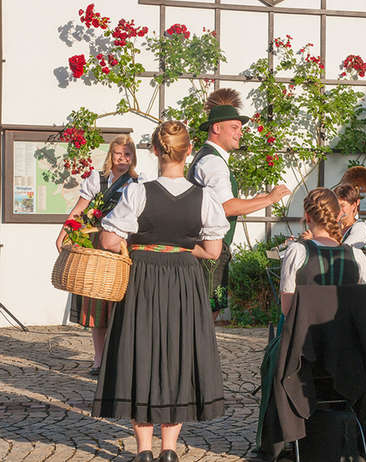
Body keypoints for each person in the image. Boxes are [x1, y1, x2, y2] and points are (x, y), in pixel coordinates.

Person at [93, 121, 229, 462]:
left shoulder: (138, 192)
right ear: (188, 151)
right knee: (179, 354)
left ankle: (143, 450)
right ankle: (169, 449)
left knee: (142, 351)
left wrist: (138, 243)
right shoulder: (205, 198)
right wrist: (183, 248)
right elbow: (212, 251)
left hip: (143, 278)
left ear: (155, 150)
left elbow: (110, 239)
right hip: (184, 280)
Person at [257, 188, 366, 457]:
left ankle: (277, 439)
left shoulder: (297, 252)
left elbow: (287, 308)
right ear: (337, 215)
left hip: (303, 355)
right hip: (347, 357)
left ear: (307, 216)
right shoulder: (358, 258)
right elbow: (362, 312)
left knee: (271, 358)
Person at [187, 88, 290, 320]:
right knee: (206, 314)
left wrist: (261, 199)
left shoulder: (209, 158)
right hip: (210, 251)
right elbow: (227, 207)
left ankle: (198, 355)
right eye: (235, 128)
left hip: (209, 250)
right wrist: (270, 199)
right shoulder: (213, 162)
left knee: (207, 311)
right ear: (217, 128)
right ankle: (198, 357)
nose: (240, 134)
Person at [55, 134, 140, 376]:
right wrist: (63, 233)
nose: (122, 159)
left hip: (122, 248)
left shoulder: (137, 183)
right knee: (97, 306)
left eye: (127, 154)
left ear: (133, 157)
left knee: (120, 305)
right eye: (118, 154)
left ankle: (120, 359)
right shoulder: (97, 179)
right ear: (110, 155)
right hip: (95, 247)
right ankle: (99, 359)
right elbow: (78, 210)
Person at [334, 183, 366, 249]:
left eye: (342, 206)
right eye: (335, 205)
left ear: (354, 205)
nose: (338, 209)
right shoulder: (335, 226)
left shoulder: (361, 227)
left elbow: (343, 250)